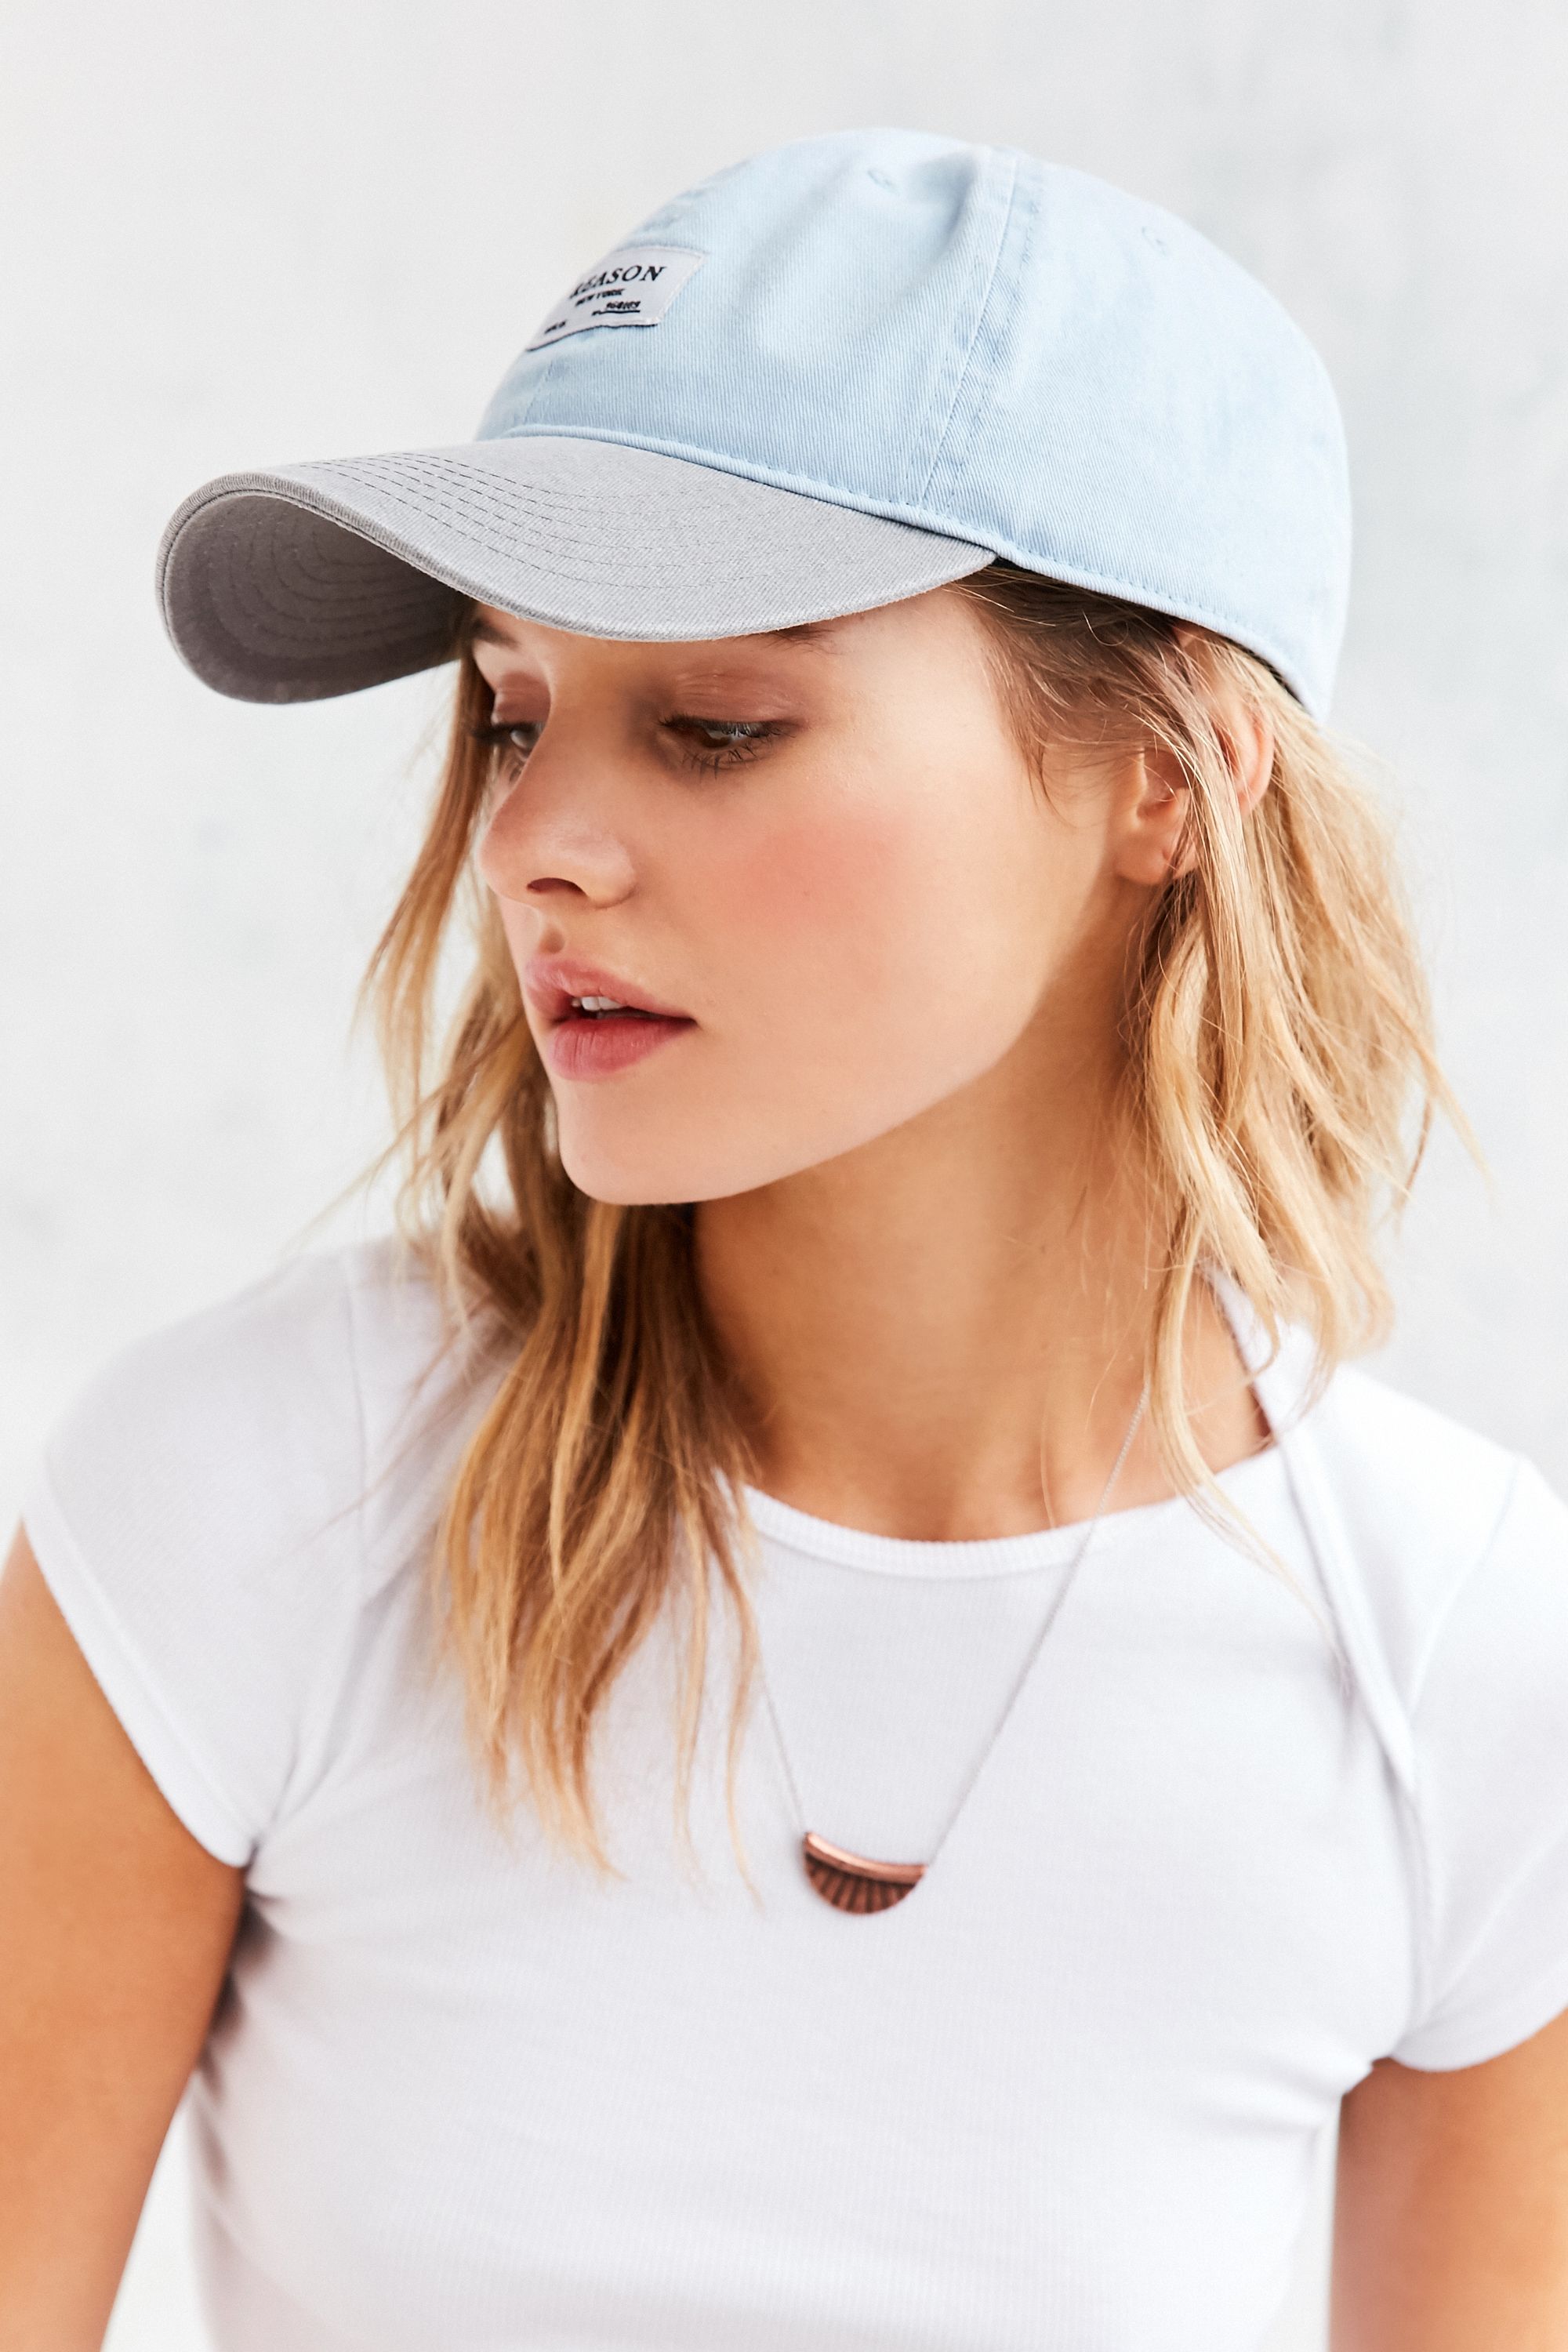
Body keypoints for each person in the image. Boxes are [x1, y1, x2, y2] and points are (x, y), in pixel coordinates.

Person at [3, 126, 1567, 2352]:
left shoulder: (1461, 1667)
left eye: (718, 724)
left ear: (1171, 775)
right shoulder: (261, 1503)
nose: (533, 843)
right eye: (512, 711)